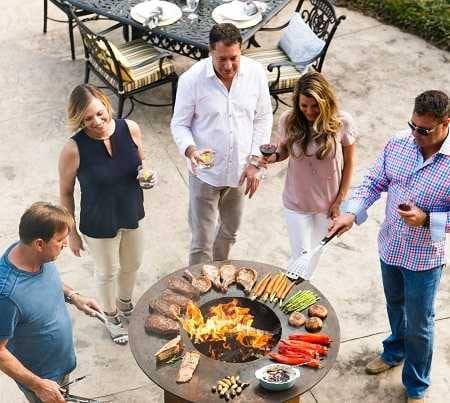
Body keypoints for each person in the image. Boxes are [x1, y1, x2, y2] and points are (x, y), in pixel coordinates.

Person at [329, 90, 449, 403]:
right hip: (391, 247)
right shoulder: (398, 143)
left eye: (424, 130)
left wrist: (426, 219)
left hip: (424, 259)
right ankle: (395, 350)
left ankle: (416, 386)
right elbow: (373, 181)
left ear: (445, 124)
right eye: (413, 126)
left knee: (420, 323)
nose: (416, 135)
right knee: (395, 305)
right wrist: (351, 213)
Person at [59, 84, 155, 344]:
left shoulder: (130, 128)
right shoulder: (73, 148)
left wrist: (146, 177)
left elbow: (140, 166)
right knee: (107, 271)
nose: (97, 122)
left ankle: (125, 304)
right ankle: (111, 316)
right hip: (98, 221)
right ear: (79, 120)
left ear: (106, 104)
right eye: (88, 119)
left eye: (100, 114)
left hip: (131, 211)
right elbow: (66, 193)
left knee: (133, 263)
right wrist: (72, 234)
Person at [170, 23, 273, 265]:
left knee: (230, 233)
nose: (228, 66)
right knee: (201, 241)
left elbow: (263, 117)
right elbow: (179, 124)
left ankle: (219, 282)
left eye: (234, 58)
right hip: (205, 174)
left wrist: (256, 161)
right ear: (210, 52)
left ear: (241, 51)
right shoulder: (191, 80)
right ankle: (197, 293)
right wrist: (191, 149)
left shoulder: (256, 73)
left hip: (240, 171)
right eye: (221, 59)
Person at [0, 202, 101, 403]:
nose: (65, 244)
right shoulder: (7, 295)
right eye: (60, 240)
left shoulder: (34, 256)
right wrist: (39, 385)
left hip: (61, 365)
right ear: (39, 243)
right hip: (42, 380)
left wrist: (74, 296)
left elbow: (46, 283)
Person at [261, 72, 355, 279]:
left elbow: (349, 164)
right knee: (300, 256)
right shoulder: (289, 120)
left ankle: (294, 294)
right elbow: (283, 151)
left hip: (328, 204)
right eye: (304, 106)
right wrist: (272, 157)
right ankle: (289, 297)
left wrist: (339, 201)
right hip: (297, 201)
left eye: (314, 106)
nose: (309, 111)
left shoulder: (342, 122)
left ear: (325, 102)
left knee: (314, 254)